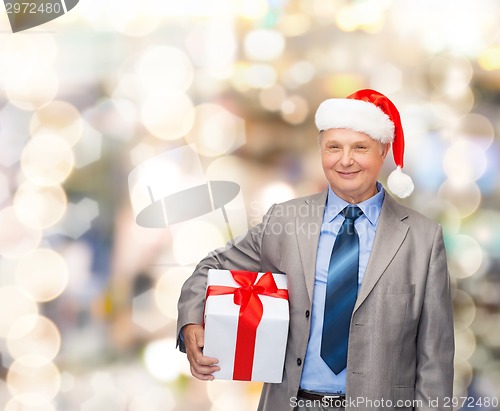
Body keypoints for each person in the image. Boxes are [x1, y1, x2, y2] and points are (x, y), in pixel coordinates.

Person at [177, 89, 454, 411]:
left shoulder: (422, 238)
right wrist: (191, 321)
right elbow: (212, 266)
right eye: (334, 147)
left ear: (383, 151)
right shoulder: (287, 219)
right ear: (321, 150)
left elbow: (436, 356)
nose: (345, 160)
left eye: (360, 148)